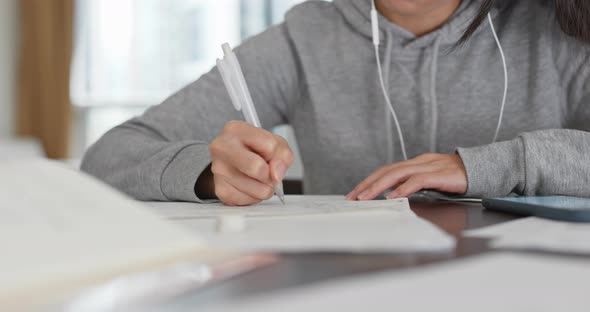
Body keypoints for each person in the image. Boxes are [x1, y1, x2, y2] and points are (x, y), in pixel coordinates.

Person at [81, 0, 590, 206]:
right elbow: (109, 155)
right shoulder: (304, 40)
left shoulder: (561, 28)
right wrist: (206, 172)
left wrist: (494, 163)